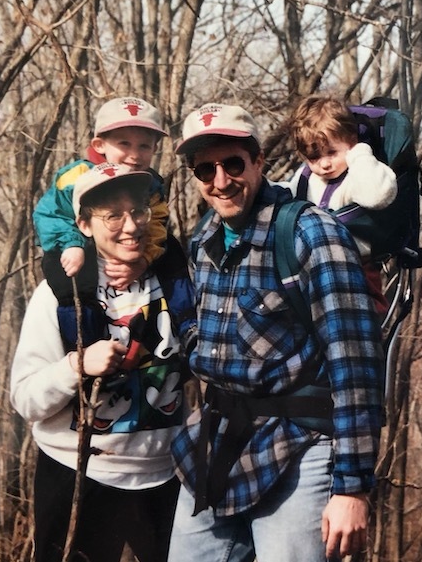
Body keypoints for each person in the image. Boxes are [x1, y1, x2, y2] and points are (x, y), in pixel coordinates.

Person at [167, 103, 385, 562]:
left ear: (258, 161)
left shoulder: (310, 232)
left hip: (300, 445)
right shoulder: (204, 240)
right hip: (217, 442)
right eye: (206, 170)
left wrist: (352, 487)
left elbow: (355, 363)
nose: (221, 181)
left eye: (233, 164)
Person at [11, 163, 186, 562]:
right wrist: (76, 365)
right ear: (84, 225)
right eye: (113, 216)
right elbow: (25, 399)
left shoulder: (177, 280)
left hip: (165, 476)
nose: (131, 226)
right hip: (78, 471)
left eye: (138, 211)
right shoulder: (60, 293)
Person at [33, 94, 196, 347]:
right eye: (124, 144)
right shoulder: (77, 175)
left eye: (144, 146)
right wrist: (71, 243)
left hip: (127, 245)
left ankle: (187, 324)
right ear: (99, 145)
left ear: (155, 148)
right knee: (66, 273)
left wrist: (144, 259)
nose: (135, 155)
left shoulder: (150, 182)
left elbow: (157, 222)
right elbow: (49, 213)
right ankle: (82, 342)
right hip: (76, 241)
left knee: (171, 250)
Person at [279, 94, 397, 315]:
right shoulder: (306, 177)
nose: (324, 164)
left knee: (362, 319)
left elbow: (377, 195)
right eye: (313, 157)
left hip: (357, 267)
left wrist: (359, 153)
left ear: (351, 141)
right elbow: (286, 196)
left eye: (332, 153)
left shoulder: (360, 172)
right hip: (313, 266)